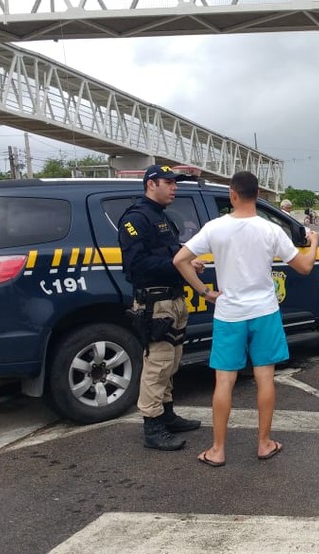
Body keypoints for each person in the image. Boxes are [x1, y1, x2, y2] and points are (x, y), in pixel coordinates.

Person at [173, 171, 319, 467]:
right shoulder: (271, 230)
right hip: (264, 312)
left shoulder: (215, 228)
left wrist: (204, 291)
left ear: (233, 194)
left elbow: (180, 260)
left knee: (224, 381)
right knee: (265, 378)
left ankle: (217, 450)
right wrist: (313, 241)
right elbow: (304, 267)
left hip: (229, 314)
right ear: (258, 196)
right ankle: (264, 443)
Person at [118, 164, 203, 451]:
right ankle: (153, 426)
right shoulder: (136, 219)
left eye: (175, 182)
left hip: (173, 299)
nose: (175, 187)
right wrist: (178, 264)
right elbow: (135, 265)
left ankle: (167, 414)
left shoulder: (162, 218)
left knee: (172, 360)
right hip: (155, 302)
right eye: (169, 182)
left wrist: (187, 264)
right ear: (151, 184)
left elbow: (174, 255)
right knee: (158, 363)